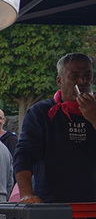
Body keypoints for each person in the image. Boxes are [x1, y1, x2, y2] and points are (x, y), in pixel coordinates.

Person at [13, 52, 96, 204]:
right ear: (59, 81)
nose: (82, 81)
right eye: (74, 76)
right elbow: (24, 154)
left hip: (92, 203)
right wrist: (26, 194)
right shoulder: (41, 112)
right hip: (51, 204)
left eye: (87, 76)